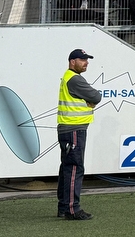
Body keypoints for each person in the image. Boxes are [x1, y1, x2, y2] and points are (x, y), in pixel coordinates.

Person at [57, 48, 102, 220]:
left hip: (69, 129)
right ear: (72, 61)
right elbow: (96, 96)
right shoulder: (75, 79)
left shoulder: (70, 77)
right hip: (73, 129)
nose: (86, 63)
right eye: (82, 60)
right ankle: (72, 209)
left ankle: (64, 207)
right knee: (74, 168)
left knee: (67, 168)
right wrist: (90, 100)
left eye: (86, 60)